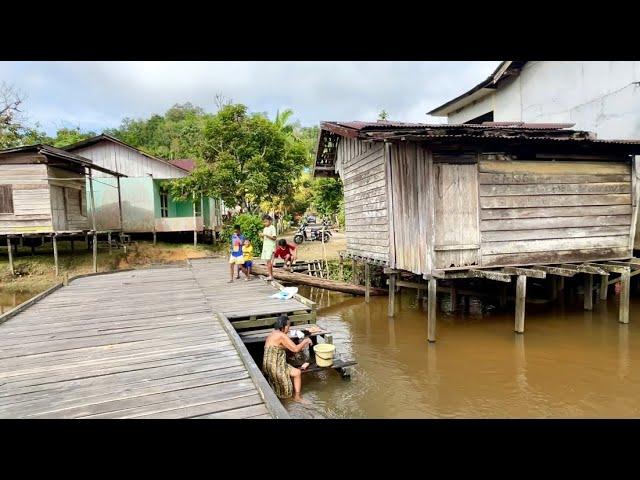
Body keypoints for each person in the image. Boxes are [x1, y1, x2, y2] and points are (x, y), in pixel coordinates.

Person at [263, 315, 311, 401]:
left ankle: (297, 397)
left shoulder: (273, 333)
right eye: (288, 326)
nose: (289, 329)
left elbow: (278, 347)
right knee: (286, 392)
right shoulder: (281, 335)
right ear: (283, 326)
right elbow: (295, 349)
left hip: (269, 364)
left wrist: (296, 348)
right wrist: (305, 341)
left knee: (297, 372)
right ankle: (286, 403)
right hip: (275, 366)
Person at [259, 214, 277, 281]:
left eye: (266, 221)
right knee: (267, 262)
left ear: (270, 221)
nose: (265, 223)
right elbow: (263, 239)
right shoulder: (265, 228)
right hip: (265, 246)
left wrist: (266, 235)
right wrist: (261, 236)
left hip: (270, 246)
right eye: (264, 222)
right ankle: (270, 275)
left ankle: (271, 276)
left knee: (269, 262)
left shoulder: (272, 227)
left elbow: (274, 238)